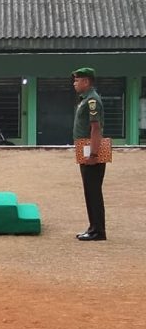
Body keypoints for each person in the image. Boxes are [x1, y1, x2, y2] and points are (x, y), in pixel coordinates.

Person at [72, 67, 106, 241]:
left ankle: (98, 231)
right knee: (89, 191)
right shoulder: (85, 99)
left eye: (77, 80)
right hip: (84, 147)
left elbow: (96, 128)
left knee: (93, 191)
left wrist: (93, 154)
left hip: (91, 149)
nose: (74, 83)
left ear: (86, 81)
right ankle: (93, 228)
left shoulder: (92, 100)